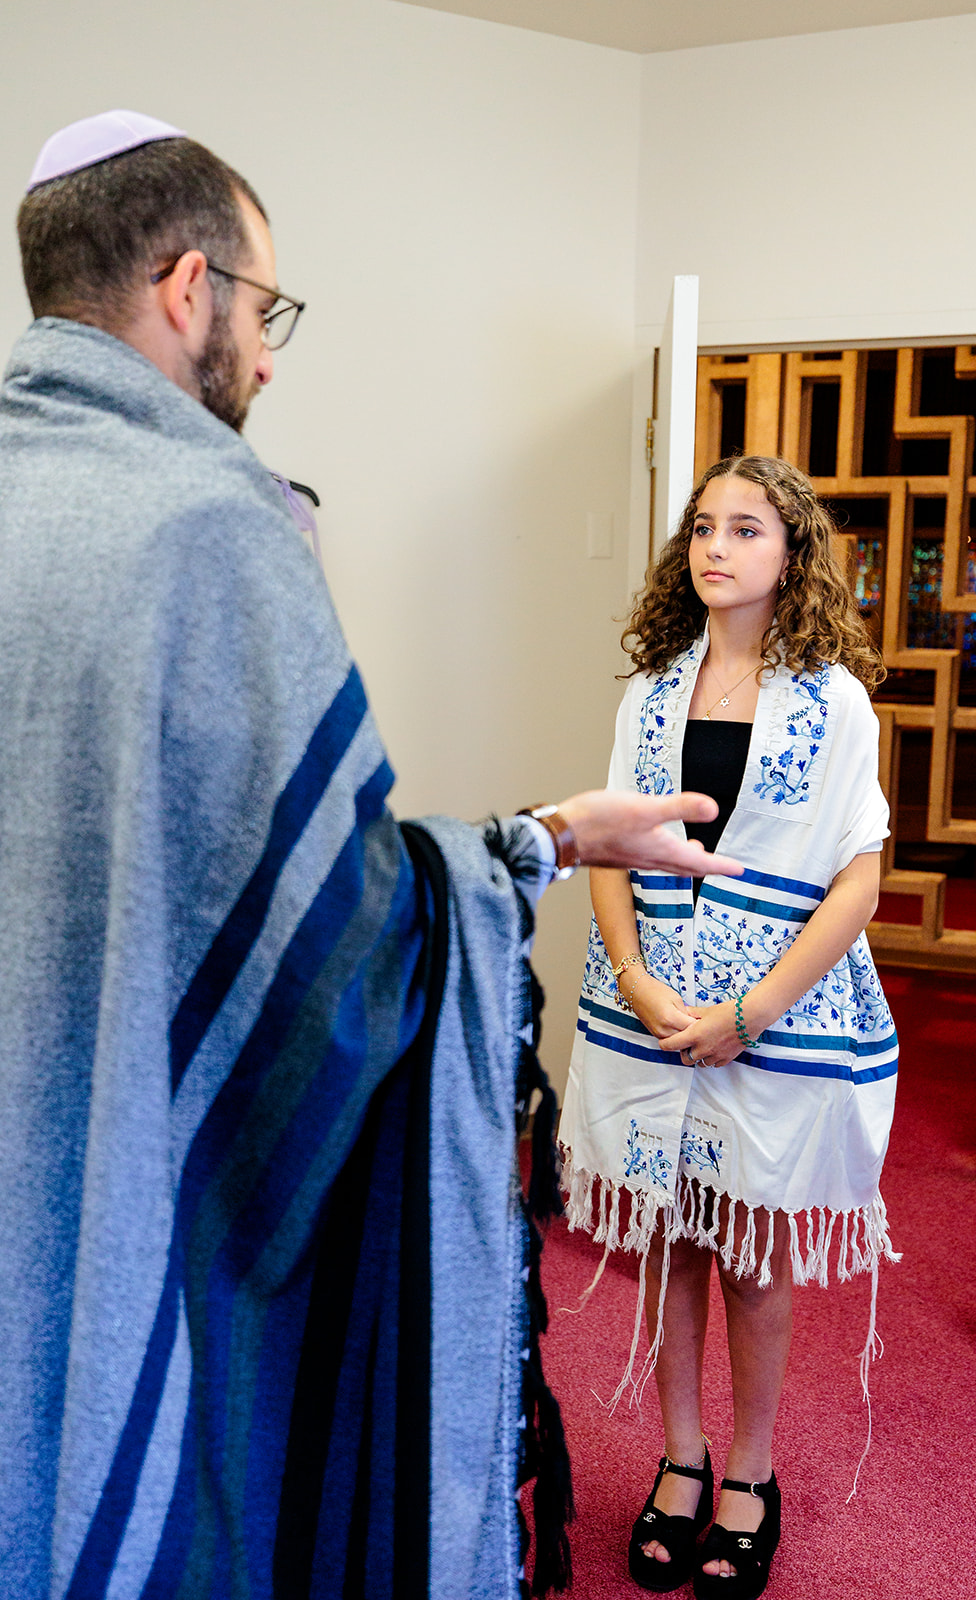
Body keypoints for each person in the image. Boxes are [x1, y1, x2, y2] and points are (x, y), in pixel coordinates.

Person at [0, 112, 742, 1600]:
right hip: (125, 1169)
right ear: (187, 283)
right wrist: (535, 845)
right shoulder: (211, 520)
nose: (268, 358)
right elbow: (337, 945)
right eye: (265, 312)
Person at [558, 455, 899, 1599]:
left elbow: (856, 876)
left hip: (775, 1014)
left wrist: (751, 1009)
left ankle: (750, 1473)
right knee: (670, 1243)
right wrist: (647, 988)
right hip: (647, 1005)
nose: (714, 545)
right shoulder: (650, 688)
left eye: (744, 529)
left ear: (789, 555)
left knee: (749, 1255)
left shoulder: (833, 698)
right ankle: (681, 1456)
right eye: (702, 526)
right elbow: (605, 843)